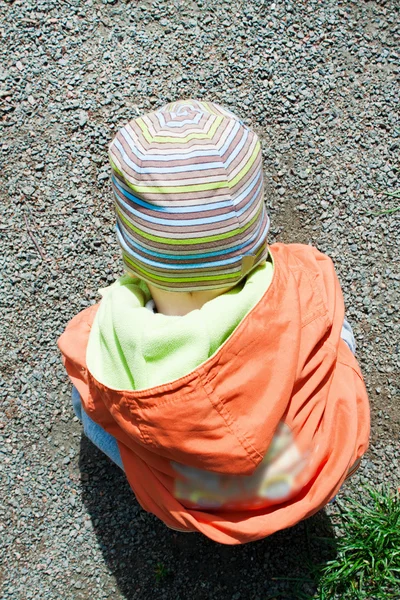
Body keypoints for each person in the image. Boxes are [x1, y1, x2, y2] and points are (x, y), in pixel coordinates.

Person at [58, 100, 370, 545]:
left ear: (133, 247)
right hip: (311, 471)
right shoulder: (304, 279)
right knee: (331, 328)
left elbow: (91, 382)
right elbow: (321, 304)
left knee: (88, 404)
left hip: (203, 503)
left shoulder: (108, 344)